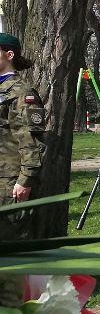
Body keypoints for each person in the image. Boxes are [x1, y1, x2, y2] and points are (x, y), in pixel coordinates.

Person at [0, 32, 45, 217]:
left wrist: (25, 180)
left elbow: (31, 139)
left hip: (8, 182)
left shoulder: (20, 93)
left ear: (9, 55)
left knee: (10, 239)